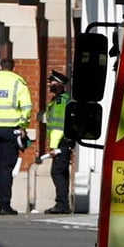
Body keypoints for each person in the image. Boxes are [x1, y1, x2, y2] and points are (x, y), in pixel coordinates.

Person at [0, 58, 32, 215]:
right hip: (10, 132)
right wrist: (22, 124)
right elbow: (27, 107)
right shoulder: (18, 84)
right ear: (13, 68)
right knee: (5, 169)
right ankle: (4, 204)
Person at [43, 70, 73, 214]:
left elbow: (58, 126)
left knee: (57, 172)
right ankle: (63, 204)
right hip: (64, 142)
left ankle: (61, 204)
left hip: (61, 142)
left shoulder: (61, 101)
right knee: (62, 172)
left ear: (59, 84)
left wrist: (53, 147)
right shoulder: (60, 100)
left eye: (52, 81)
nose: (49, 83)